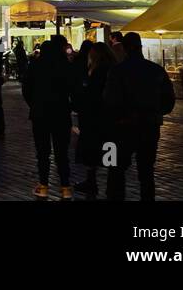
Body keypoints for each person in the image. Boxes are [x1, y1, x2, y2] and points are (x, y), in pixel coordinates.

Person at [103, 31, 174, 201]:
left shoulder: (117, 71)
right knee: (147, 172)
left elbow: (108, 100)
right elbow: (169, 101)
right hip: (149, 127)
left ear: (125, 48)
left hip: (119, 128)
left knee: (114, 169)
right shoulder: (156, 70)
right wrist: (154, 113)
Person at [22, 35, 75, 199]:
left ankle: (43, 185)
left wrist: (34, 104)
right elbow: (73, 89)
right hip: (61, 113)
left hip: (40, 113)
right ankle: (65, 187)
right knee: (62, 152)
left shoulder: (35, 65)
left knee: (42, 152)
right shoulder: (65, 65)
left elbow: (26, 89)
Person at [75, 42, 115, 197]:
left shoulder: (98, 71)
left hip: (95, 117)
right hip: (108, 117)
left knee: (93, 149)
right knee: (108, 147)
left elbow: (91, 93)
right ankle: (111, 181)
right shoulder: (112, 68)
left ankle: (93, 182)